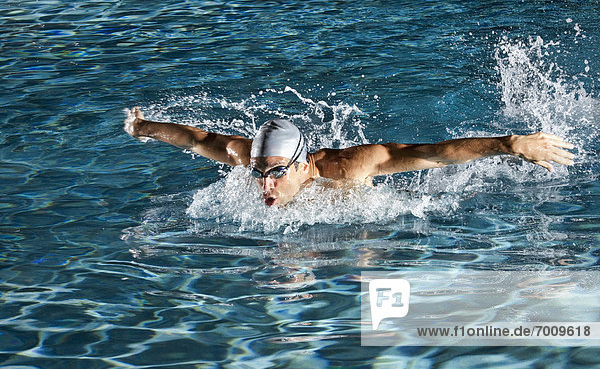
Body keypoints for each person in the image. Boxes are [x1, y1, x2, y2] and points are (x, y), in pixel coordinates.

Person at [124, 107, 575, 207]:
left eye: (275, 174)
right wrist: (143, 128)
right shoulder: (249, 158)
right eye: (261, 173)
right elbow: (196, 139)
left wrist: (507, 144)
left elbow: (431, 155)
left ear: (302, 166)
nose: (264, 185)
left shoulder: (348, 167)